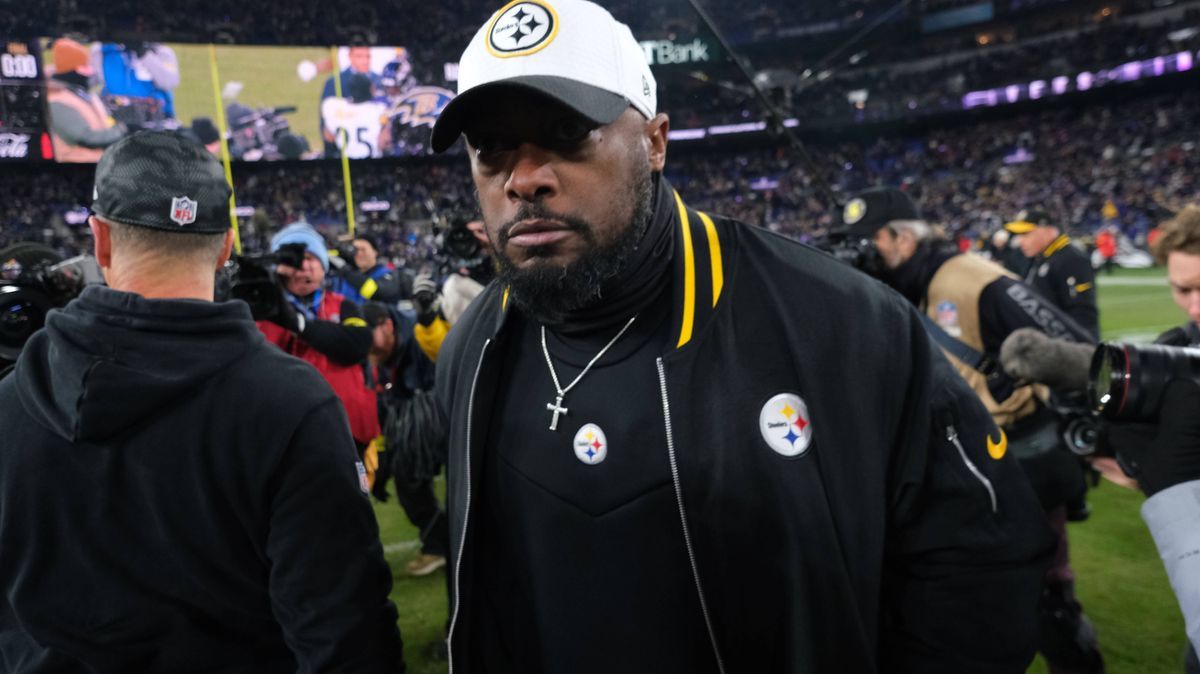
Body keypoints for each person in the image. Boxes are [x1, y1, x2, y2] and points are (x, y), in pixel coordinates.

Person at [429, 1, 1053, 671]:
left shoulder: (841, 324)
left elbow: (981, 566)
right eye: (492, 150)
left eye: (567, 131)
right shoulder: (475, 344)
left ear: (655, 142)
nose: (524, 179)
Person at [0, 131, 404, 672]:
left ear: (99, 240)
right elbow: (345, 635)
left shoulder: (10, 398)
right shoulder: (291, 403)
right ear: (225, 247)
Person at [841, 187, 1103, 674]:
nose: (862, 253)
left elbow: (1076, 347)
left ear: (901, 238)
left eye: (869, 239)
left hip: (1018, 457)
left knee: (1043, 591)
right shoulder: (898, 285)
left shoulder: (974, 278)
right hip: (953, 464)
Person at [256, 222, 380, 451]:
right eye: (293, 260)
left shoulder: (344, 305)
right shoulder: (261, 312)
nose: (304, 267)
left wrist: (299, 324)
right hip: (287, 432)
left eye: (312, 258)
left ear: (323, 266)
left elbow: (357, 345)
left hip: (347, 431)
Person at [363, 302, 448, 577]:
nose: (369, 349)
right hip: (405, 427)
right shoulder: (371, 355)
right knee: (406, 478)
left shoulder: (420, 335)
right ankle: (439, 543)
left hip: (446, 418)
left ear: (387, 325)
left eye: (371, 338)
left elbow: (444, 381)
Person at [1004, 208, 1099, 339]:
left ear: (1047, 231)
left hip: (1068, 351)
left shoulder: (1070, 259)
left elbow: (1081, 315)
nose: (1020, 241)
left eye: (1026, 234)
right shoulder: (1043, 257)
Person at [45, 38, 129, 163]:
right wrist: (124, 130)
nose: (91, 71)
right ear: (72, 69)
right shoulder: (57, 100)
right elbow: (85, 138)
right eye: (85, 66)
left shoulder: (82, 93)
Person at [320, 47, 382, 157]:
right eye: (359, 56)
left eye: (368, 56)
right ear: (350, 57)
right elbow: (325, 124)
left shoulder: (380, 80)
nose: (365, 61)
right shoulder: (335, 82)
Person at [331, 234, 405, 305]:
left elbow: (376, 291)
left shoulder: (388, 274)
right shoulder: (343, 278)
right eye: (355, 250)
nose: (359, 254)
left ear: (375, 252)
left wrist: (347, 272)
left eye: (363, 250)